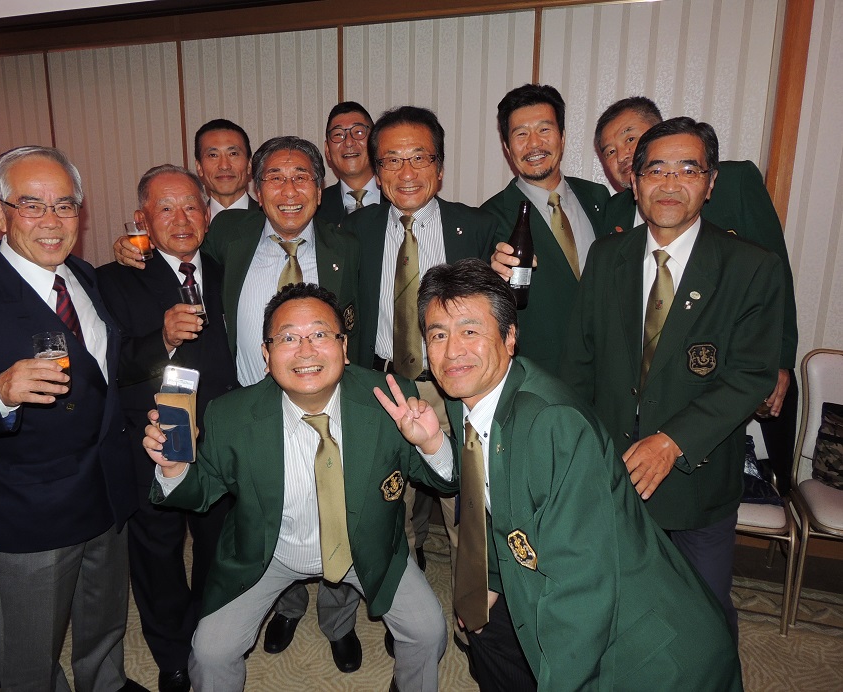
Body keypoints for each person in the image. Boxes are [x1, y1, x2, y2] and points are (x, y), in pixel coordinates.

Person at [377, 256, 743, 690]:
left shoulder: (553, 425)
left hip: (648, 650)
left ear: (510, 337)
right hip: (540, 578)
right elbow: (488, 490)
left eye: (470, 331)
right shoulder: (469, 397)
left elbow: (582, 590)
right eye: (438, 334)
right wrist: (434, 445)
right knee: (487, 637)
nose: (452, 350)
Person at [115, 135, 364, 671]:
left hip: (330, 408)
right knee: (262, 521)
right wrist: (133, 245)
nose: (289, 190)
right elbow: (169, 249)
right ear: (255, 189)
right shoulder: (234, 236)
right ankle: (282, 609)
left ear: (320, 187)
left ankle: (339, 622)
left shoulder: (349, 244)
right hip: (250, 417)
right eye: (275, 177)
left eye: (301, 177)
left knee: (335, 513)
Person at [142, 283, 455, 691]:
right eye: (288, 338)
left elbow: (441, 479)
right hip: (270, 553)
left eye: (320, 334)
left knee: (429, 631)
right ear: (266, 355)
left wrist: (431, 443)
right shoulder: (231, 415)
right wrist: (172, 468)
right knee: (210, 651)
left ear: (344, 347)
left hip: (366, 548)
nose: (306, 351)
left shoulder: (390, 401)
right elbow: (199, 494)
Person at [0, 146, 140, 690]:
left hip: (107, 486)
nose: (52, 220)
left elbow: (105, 372)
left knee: (105, 623)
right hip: (33, 505)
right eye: (32, 205)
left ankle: (105, 684)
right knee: (29, 652)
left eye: (65, 205)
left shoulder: (83, 276)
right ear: (0, 213)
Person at [561, 117, 785, 640]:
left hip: (697, 481)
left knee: (703, 622)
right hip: (614, 473)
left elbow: (751, 375)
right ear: (635, 182)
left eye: (688, 169)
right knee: (616, 612)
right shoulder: (607, 256)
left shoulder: (750, 267)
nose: (669, 183)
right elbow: (580, 363)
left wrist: (671, 442)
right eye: (656, 170)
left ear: (710, 182)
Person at [342, 105, 500, 640]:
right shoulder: (352, 230)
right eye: (391, 160)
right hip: (384, 384)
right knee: (390, 505)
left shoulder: (477, 227)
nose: (406, 172)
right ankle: (405, 616)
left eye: (419, 158)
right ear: (376, 171)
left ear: (440, 166)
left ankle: (472, 619)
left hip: (455, 389)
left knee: (465, 510)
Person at [596, 96, 799, 493]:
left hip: (718, 370)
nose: (621, 155)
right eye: (609, 151)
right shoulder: (614, 213)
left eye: (629, 138)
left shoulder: (733, 181)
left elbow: (775, 273)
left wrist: (779, 360)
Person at [97, 165, 238, 692]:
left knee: (216, 545)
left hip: (219, 437)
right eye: (165, 209)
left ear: (207, 215)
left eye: (191, 207)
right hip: (153, 437)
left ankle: (206, 636)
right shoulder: (113, 279)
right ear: (142, 219)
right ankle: (171, 655)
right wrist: (163, 339)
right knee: (156, 552)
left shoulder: (227, 270)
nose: (181, 219)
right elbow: (107, 365)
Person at [483, 83, 610, 373]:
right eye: (521, 134)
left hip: (605, 371)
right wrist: (491, 277)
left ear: (562, 137)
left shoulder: (598, 198)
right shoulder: (488, 218)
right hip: (540, 375)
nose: (534, 144)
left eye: (544, 129)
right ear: (507, 147)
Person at [315, 101, 382, 224]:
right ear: (327, 150)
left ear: (375, 142)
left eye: (358, 132)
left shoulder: (398, 197)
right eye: (338, 134)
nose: (349, 142)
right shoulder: (315, 209)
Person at [194, 118, 256, 217]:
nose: (224, 166)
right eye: (213, 155)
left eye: (233, 154)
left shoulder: (272, 220)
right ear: (199, 167)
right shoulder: (192, 222)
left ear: (249, 164)